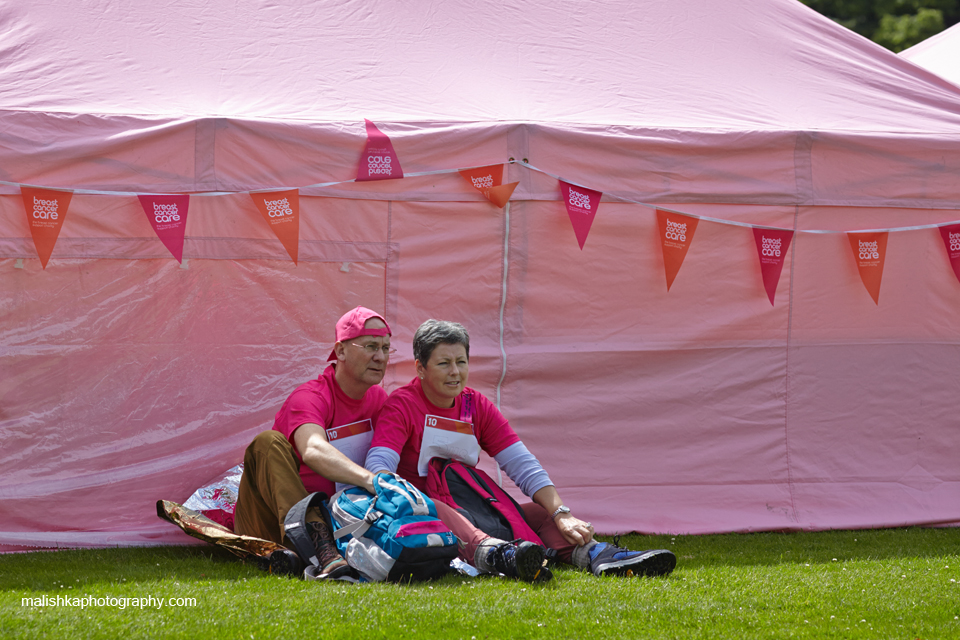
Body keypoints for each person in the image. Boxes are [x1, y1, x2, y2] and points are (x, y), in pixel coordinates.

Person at [365, 319, 676, 583]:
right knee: (432, 504)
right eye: (444, 363)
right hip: (429, 517)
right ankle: (497, 555)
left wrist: (562, 513)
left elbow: (521, 463)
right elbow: (379, 466)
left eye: (461, 362)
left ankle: (596, 554)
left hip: (474, 504)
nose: (455, 372)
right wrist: (403, 497)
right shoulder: (401, 405)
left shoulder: (475, 404)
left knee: (541, 512)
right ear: (420, 368)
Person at [234, 306, 394, 580]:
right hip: (277, 523)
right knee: (267, 442)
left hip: (346, 521)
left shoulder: (380, 400)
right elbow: (313, 450)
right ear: (340, 351)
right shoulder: (310, 396)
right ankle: (322, 550)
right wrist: (374, 481)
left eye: (386, 348)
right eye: (370, 346)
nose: (380, 357)